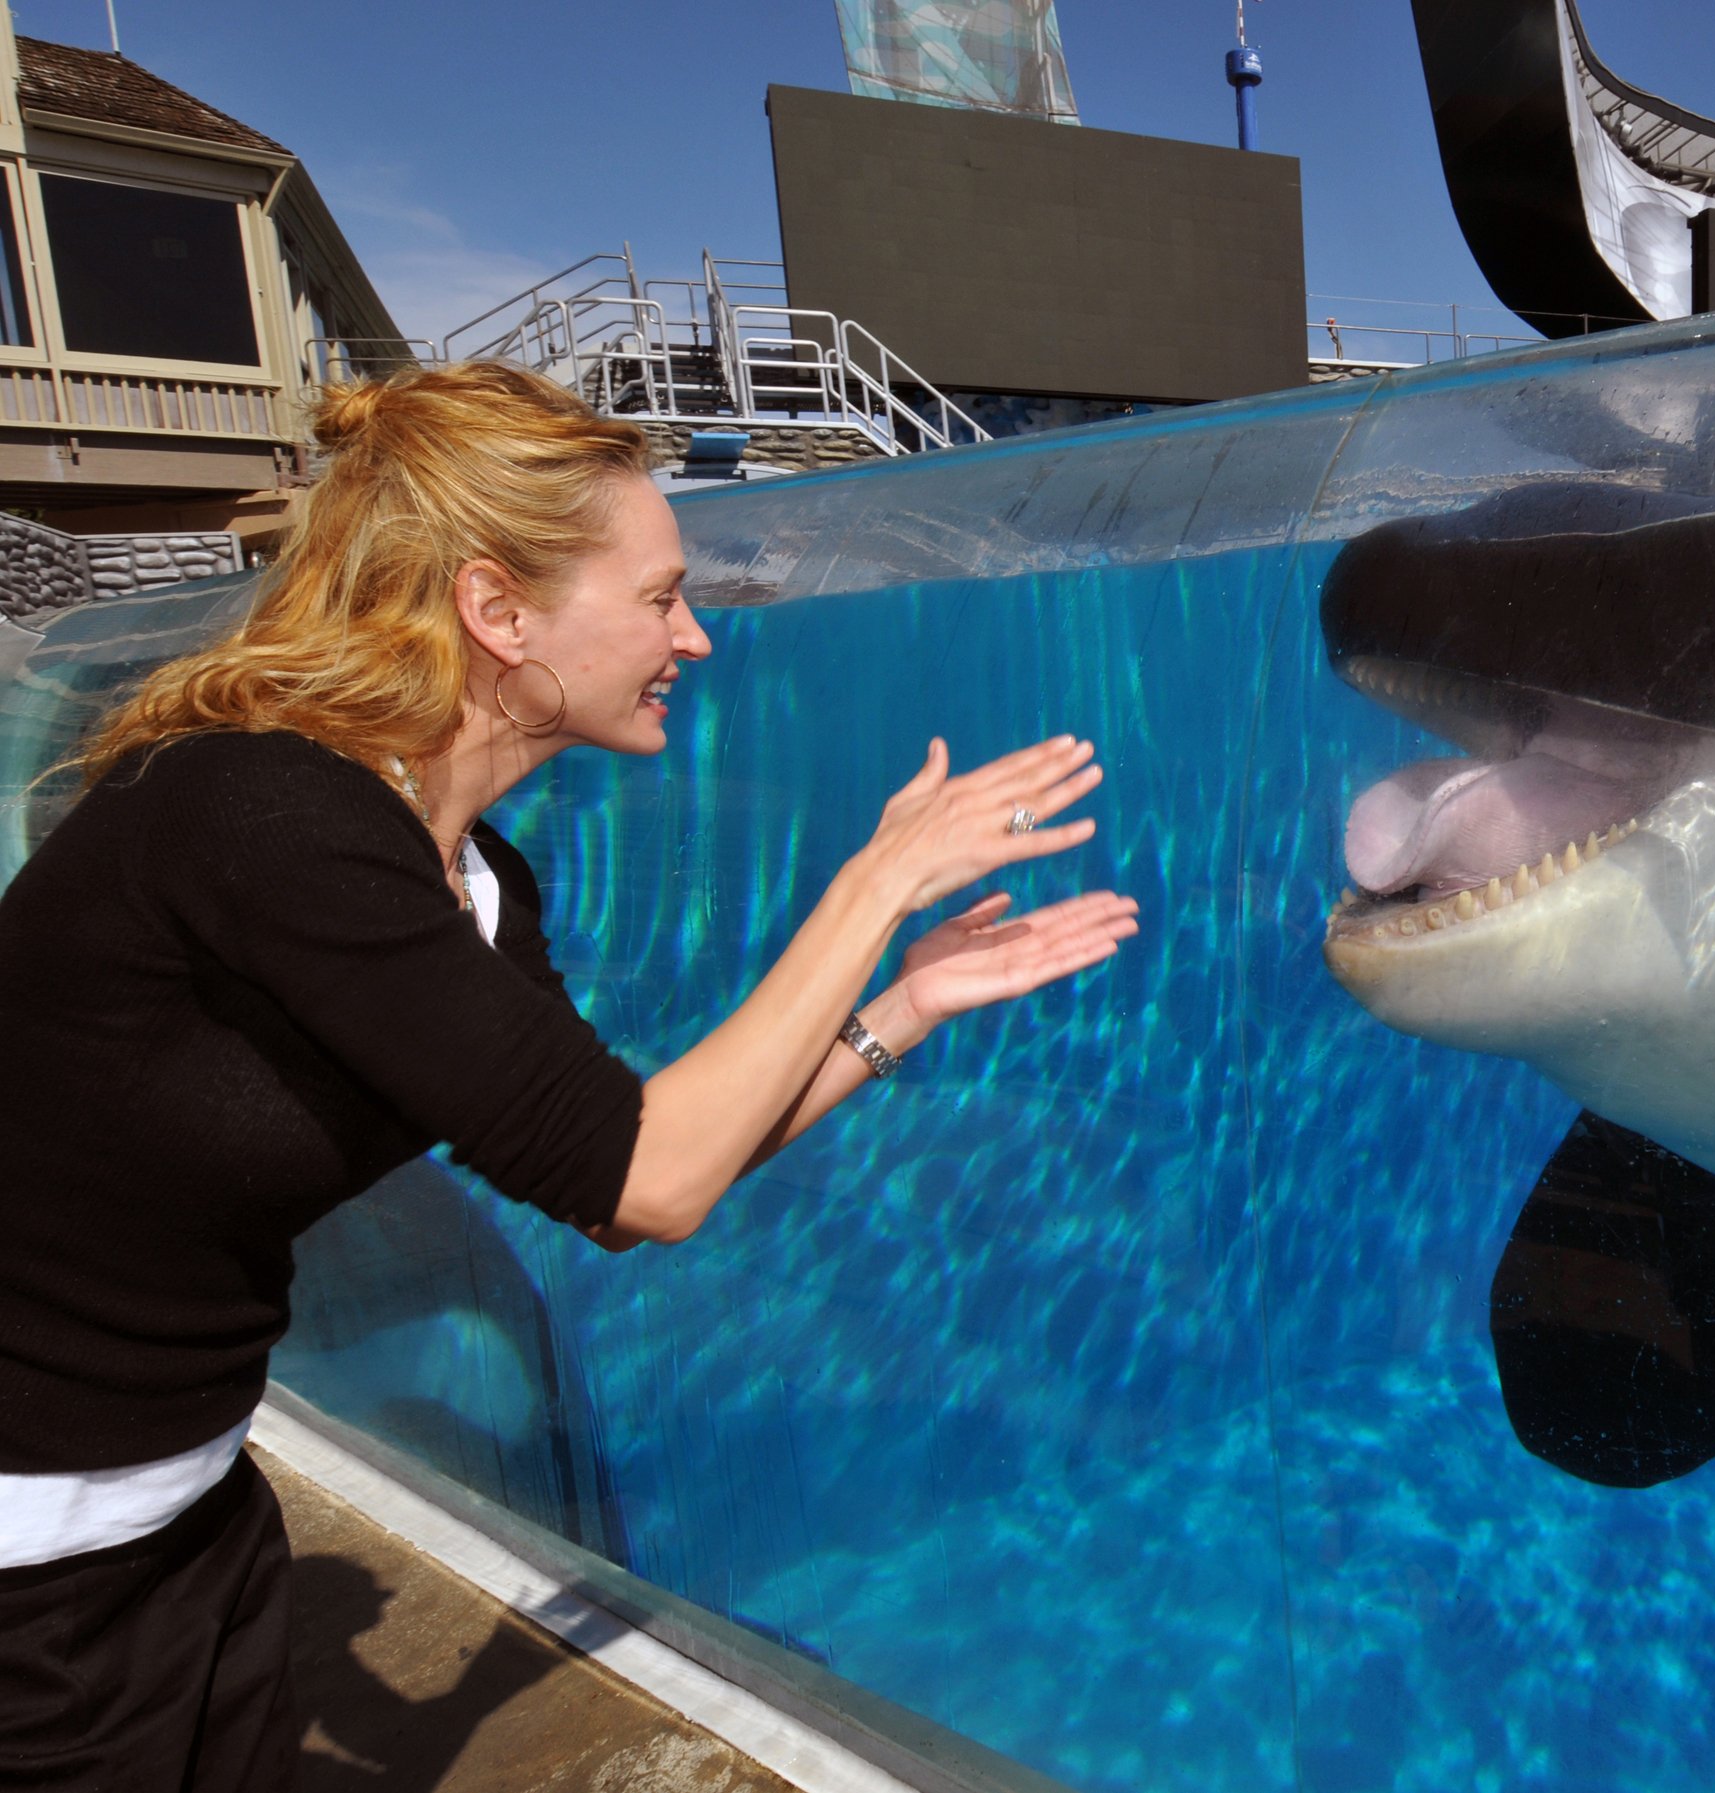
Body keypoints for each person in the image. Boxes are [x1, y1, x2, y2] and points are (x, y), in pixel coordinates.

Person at [0, 361, 1140, 1790]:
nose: (697, 636)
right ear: (498, 610)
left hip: (182, 1520)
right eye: (662, 595)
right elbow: (651, 1178)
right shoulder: (269, 806)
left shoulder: (468, 878)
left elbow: (614, 1174)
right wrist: (876, 882)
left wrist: (903, 1001)